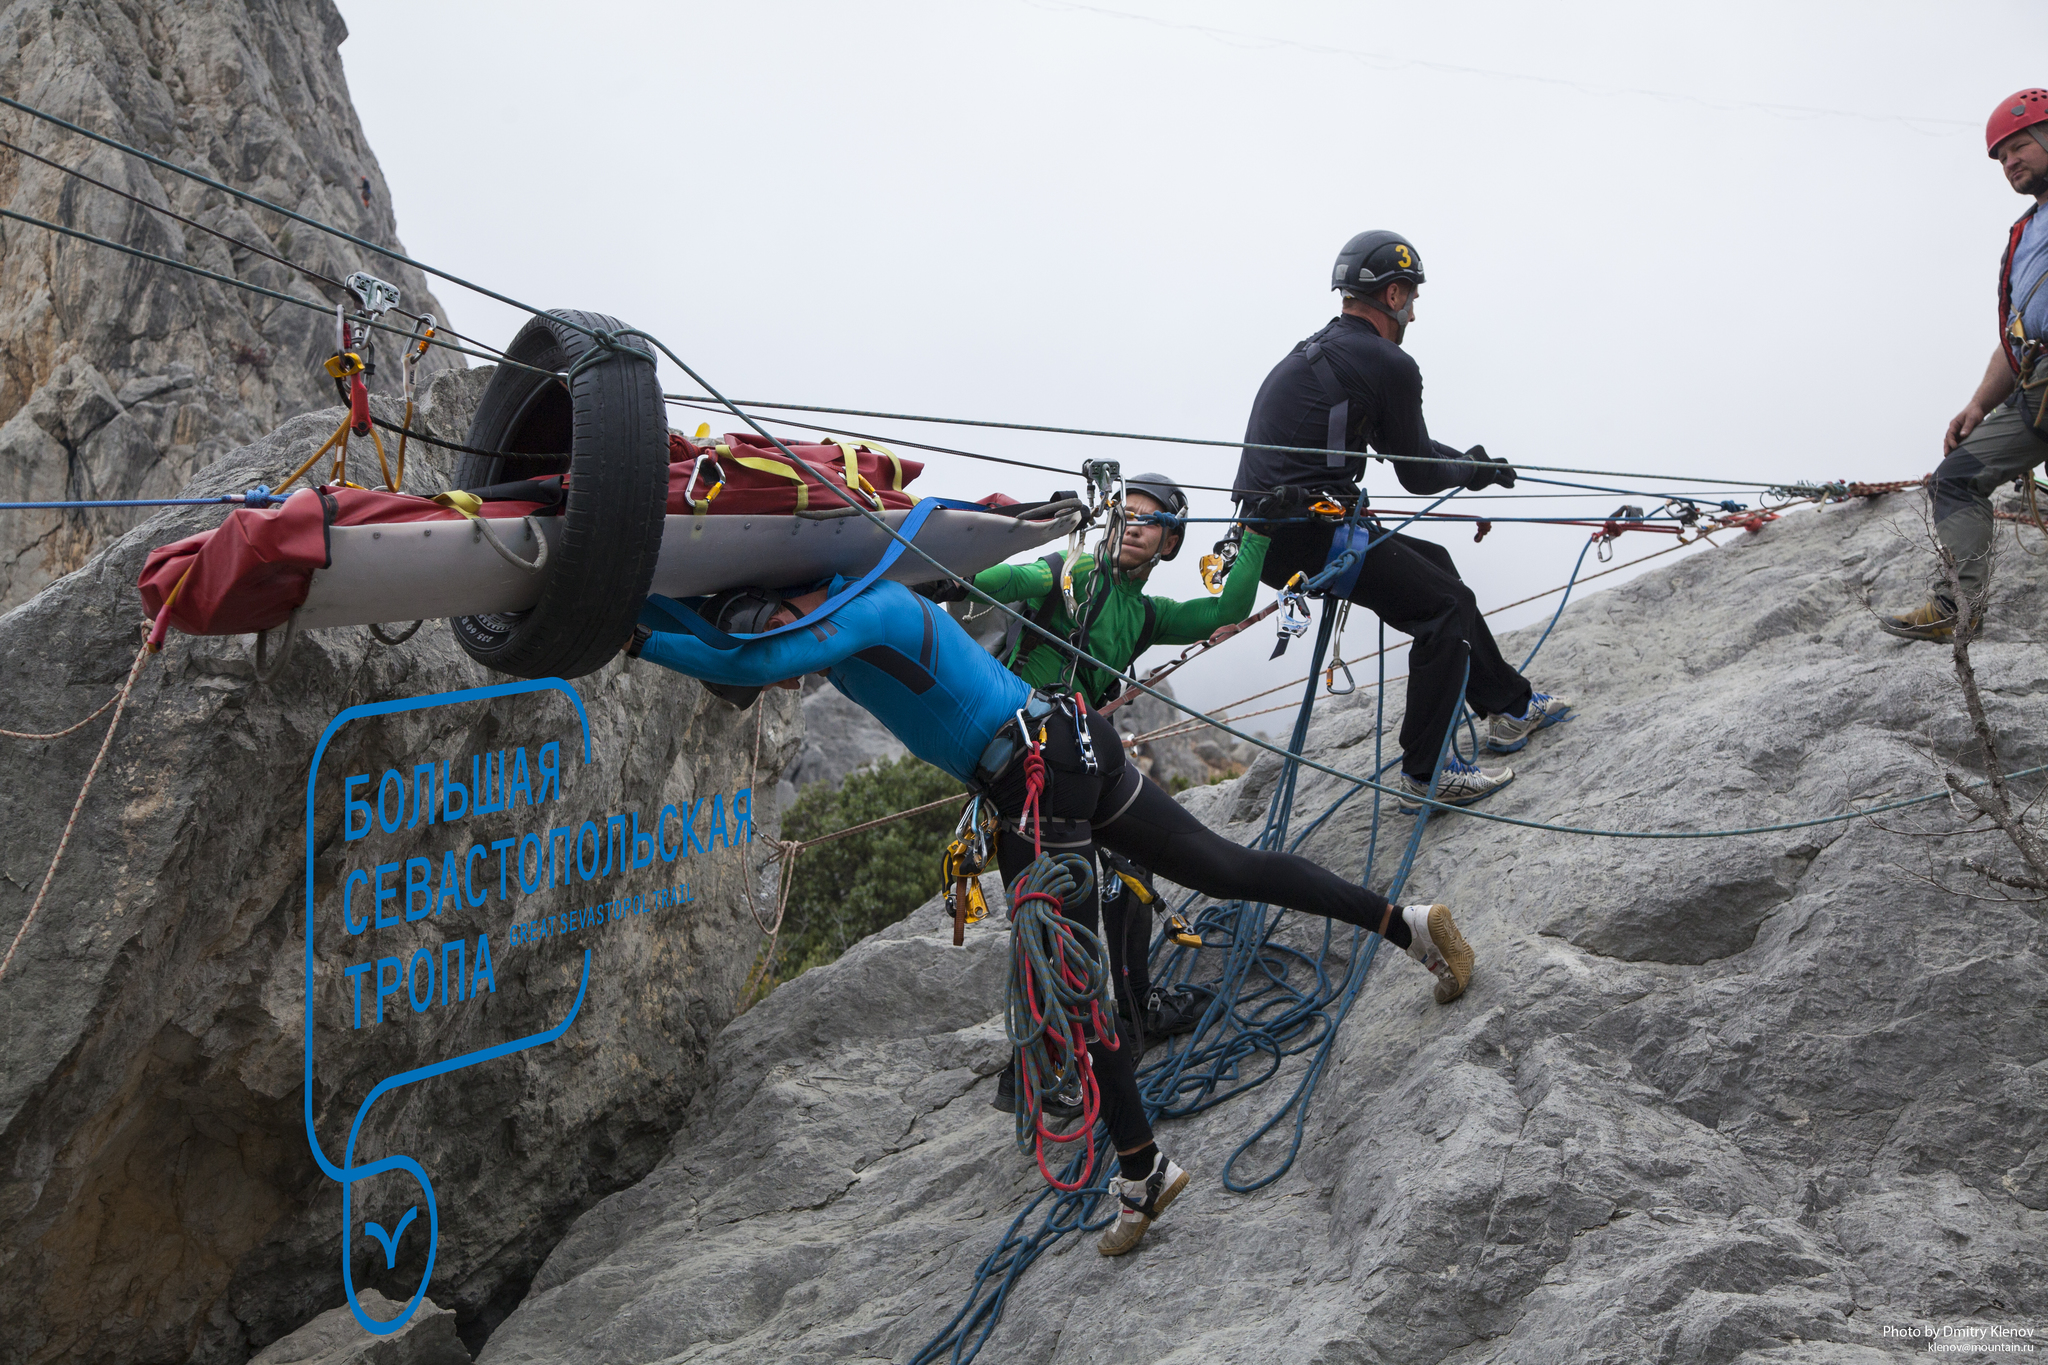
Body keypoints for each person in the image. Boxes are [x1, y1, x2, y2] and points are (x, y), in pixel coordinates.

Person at [629, 576, 1475, 1256]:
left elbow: (749, 657)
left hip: (1031, 784)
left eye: (782, 626)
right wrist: (640, 597)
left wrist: (632, 635)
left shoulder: (868, 605)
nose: (791, 668)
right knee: (1227, 867)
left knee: (1073, 991)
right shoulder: (862, 599)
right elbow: (746, 641)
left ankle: (1143, 1173)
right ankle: (1406, 920)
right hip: (1073, 741)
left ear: (797, 593)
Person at [1232, 230, 1572, 809]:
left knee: (1437, 569)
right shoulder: (1389, 361)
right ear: (1393, 295)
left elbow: (1405, 450)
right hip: (1305, 533)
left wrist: (1469, 467)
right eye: (1411, 296)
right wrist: (1472, 469)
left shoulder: (1326, 349)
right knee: (1444, 607)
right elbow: (1416, 471)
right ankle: (1426, 770)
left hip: (1284, 528)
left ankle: (1510, 707)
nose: (1415, 310)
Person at [949, 473, 1268, 1050]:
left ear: (1169, 543)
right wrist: (951, 574)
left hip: (1080, 765)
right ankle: (1055, 1051)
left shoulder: (1145, 615)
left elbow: (1230, 607)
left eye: (1150, 520)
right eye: (1126, 514)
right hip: (1030, 764)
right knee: (1063, 899)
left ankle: (1131, 1009)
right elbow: (997, 580)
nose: (1133, 526)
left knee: (1128, 869)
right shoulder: (1064, 574)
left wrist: (1259, 529)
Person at [1881, 89, 2048, 642]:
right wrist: (1979, 403)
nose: (2009, 163)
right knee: (1955, 478)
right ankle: (1957, 607)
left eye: (2019, 146)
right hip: (2036, 390)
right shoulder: (2023, 236)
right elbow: (2013, 338)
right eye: (2001, 157)